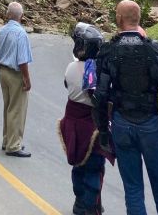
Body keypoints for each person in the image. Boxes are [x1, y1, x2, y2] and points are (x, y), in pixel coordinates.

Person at [93, 0, 158, 215]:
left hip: (122, 123)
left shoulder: (108, 51)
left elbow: (100, 95)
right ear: (139, 19)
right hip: (150, 123)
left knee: (133, 191)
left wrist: (104, 131)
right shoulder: (156, 52)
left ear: (119, 19)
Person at [58, 22, 114, 215]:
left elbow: (68, 85)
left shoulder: (71, 67)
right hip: (91, 125)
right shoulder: (97, 71)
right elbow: (103, 98)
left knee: (78, 165)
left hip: (72, 121)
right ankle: (89, 205)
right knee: (94, 167)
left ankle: (81, 201)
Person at [0, 0, 33, 157]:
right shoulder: (21, 34)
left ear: (7, 14)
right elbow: (22, 60)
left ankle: (6, 140)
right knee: (17, 110)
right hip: (15, 74)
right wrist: (27, 79)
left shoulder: (2, 30)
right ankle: (13, 145)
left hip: (3, 72)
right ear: (21, 16)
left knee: (8, 107)